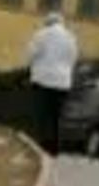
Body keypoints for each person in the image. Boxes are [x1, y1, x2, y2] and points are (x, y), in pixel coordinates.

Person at [25, 12, 78, 153]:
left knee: (41, 115)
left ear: (47, 22)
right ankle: (54, 148)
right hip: (63, 82)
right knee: (56, 116)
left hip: (43, 79)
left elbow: (31, 54)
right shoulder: (71, 37)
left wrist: (30, 67)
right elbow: (73, 59)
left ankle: (38, 146)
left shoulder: (41, 34)